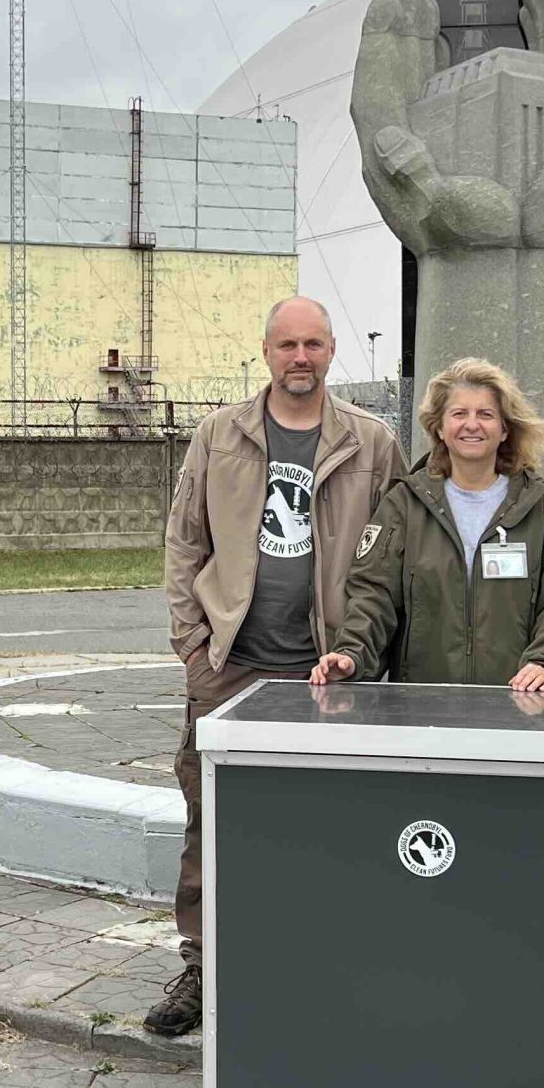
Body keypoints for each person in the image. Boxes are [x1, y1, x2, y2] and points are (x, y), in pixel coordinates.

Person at [151, 296, 406, 1038]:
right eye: (288, 345)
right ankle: (203, 967)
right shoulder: (219, 436)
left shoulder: (371, 443)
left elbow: (391, 559)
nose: (301, 357)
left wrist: (365, 650)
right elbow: (183, 544)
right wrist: (194, 648)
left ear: (332, 352)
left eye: (314, 345)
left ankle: (322, 966)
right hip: (232, 668)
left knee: (331, 823)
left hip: (328, 671)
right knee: (212, 822)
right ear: (266, 351)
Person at [312, 357, 544, 692]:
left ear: (504, 429)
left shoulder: (539, 505)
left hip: (518, 707)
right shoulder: (405, 503)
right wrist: (352, 653)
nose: (472, 424)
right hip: (422, 709)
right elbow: (373, 595)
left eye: (485, 414)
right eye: (459, 414)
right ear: (439, 428)